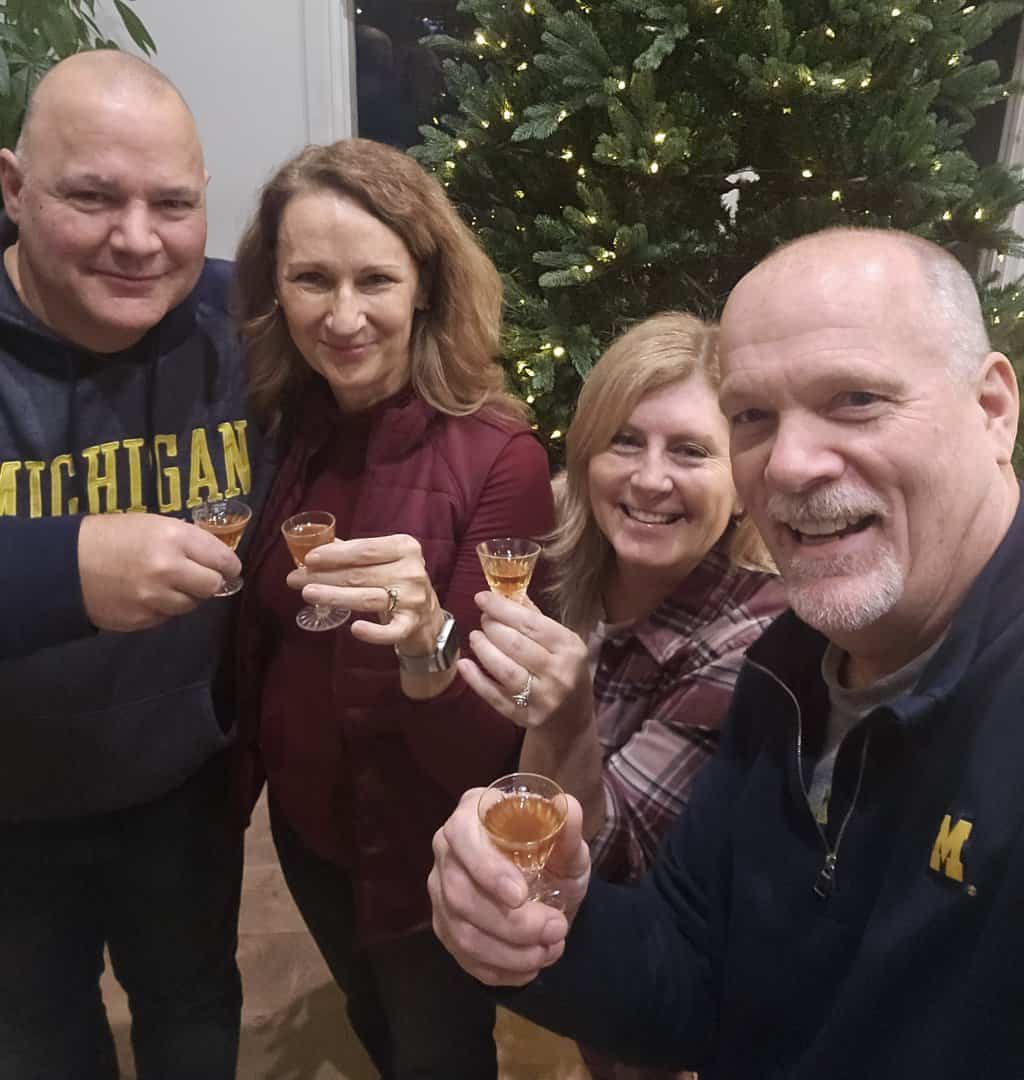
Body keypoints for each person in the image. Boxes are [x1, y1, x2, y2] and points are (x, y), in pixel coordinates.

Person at [428, 227, 1024, 1079]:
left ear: (992, 409)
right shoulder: (788, 667)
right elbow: (690, 971)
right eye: (753, 416)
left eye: (856, 397)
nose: (789, 464)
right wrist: (532, 921)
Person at [233, 137, 554, 1079]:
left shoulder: (501, 457)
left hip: (425, 855)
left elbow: (483, 740)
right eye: (310, 279)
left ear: (425, 284)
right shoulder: (280, 425)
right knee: (378, 1033)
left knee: (440, 1056)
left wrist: (426, 643)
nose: (342, 316)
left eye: (374, 278)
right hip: (308, 831)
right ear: (274, 290)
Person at [0, 52, 259, 1080]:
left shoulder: (245, 319)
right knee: (34, 1041)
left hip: (182, 786)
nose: (139, 240)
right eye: (93, 197)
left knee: (195, 1007)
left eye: (173, 203)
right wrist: (64, 570)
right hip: (8, 815)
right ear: (14, 189)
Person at [460, 313, 786, 1080]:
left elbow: (605, 871)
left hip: (659, 960)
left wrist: (564, 723)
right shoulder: (552, 556)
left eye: (690, 451)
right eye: (625, 441)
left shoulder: (756, 640)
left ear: (741, 486)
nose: (649, 479)